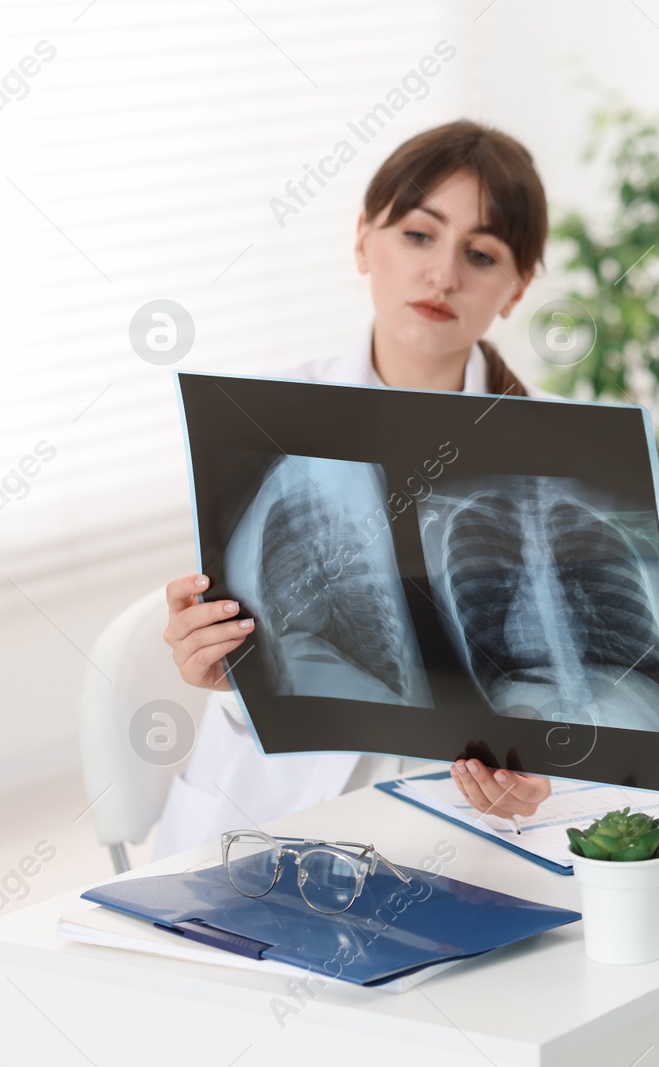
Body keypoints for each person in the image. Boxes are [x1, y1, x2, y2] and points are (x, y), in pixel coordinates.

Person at [155, 120, 554, 858]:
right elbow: (244, 643)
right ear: (363, 238)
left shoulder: (557, 456)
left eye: (482, 253)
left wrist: (539, 776)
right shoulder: (260, 421)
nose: (443, 275)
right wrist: (215, 661)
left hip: (454, 832)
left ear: (517, 287)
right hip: (257, 819)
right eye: (417, 234)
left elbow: (576, 709)